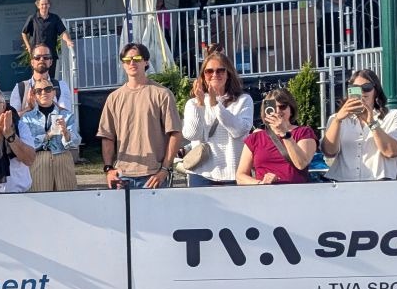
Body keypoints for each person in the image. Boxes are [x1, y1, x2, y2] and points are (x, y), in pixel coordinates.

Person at [98, 43, 181, 190]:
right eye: (127, 59)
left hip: (154, 176)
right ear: (123, 64)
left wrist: (165, 169)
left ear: (146, 61)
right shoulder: (114, 98)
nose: (132, 63)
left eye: (137, 58)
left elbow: (175, 134)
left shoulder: (162, 94)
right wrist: (109, 169)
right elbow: (107, 137)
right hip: (122, 176)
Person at [180, 49, 253, 187]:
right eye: (209, 71)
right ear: (203, 76)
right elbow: (191, 134)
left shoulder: (243, 100)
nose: (215, 74)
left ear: (228, 74)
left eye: (220, 70)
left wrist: (215, 104)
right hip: (201, 173)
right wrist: (200, 105)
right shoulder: (193, 103)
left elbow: (238, 131)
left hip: (233, 173)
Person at [321, 69, 397, 182]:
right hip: (344, 183)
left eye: (367, 87)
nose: (362, 92)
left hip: (380, 182)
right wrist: (337, 120)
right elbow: (329, 152)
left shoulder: (394, 116)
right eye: (355, 88)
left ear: (375, 90)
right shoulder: (336, 119)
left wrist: (371, 123)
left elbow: (391, 152)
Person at [236, 89, 317, 185]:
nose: (278, 111)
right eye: (273, 107)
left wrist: (284, 133)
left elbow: (301, 163)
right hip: (265, 194)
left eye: (282, 107)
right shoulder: (255, 138)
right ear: (266, 111)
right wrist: (260, 183)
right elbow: (240, 176)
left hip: (295, 193)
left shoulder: (304, 133)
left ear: (291, 110)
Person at [16, 81, 78, 192]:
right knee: (40, 199)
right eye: (38, 91)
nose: (43, 93)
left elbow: (75, 141)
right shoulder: (27, 118)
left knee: (68, 198)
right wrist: (47, 135)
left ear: (54, 92)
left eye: (48, 89)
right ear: (34, 95)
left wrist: (65, 133)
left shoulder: (67, 115)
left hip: (62, 158)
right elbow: (27, 144)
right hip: (38, 160)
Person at [10, 45, 76, 116]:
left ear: (50, 62)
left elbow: (66, 116)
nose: (41, 60)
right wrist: (29, 108)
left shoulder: (61, 86)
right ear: (32, 62)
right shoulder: (20, 88)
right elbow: (13, 119)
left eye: (46, 57)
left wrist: (49, 102)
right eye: (37, 57)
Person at [20, 0, 73, 77]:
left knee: (50, 78)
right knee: (37, 78)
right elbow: (24, 33)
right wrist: (28, 47)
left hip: (50, 54)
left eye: (46, 4)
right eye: (42, 4)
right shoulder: (33, 18)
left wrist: (68, 40)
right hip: (36, 55)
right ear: (38, 6)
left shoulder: (55, 18)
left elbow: (62, 32)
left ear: (49, 5)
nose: (44, 6)